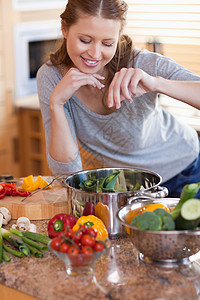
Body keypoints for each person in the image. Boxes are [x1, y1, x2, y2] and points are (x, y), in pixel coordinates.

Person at [37, 0, 200, 198]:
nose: (95, 54)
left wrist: (156, 83)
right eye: (85, 40)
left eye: (107, 43)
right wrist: (57, 103)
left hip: (187, 170)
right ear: (64, 28)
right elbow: (66, 174)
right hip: (129, 188)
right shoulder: (51, 78)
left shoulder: (141, 64)